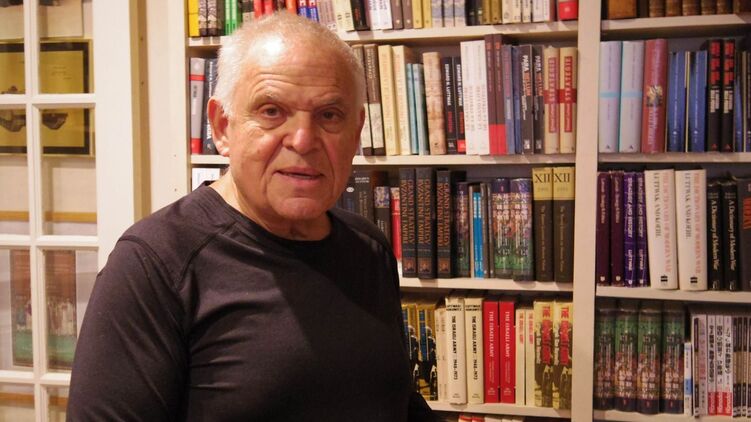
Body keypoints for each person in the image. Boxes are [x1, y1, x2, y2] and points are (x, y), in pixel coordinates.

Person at [67, 12, 434, 421]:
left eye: (329, 115)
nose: (303, 140)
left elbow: (393, 401)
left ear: (356, 131)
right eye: (272, 111)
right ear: (222, 127)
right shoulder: (154, 265)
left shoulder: (368, 247)